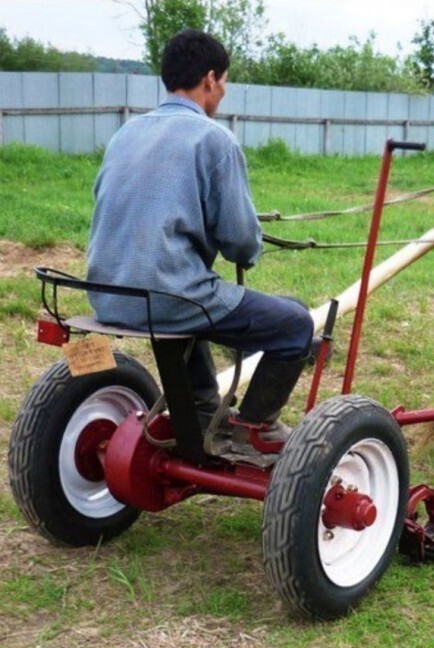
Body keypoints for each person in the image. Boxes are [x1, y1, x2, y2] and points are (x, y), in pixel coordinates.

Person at [86, 29, 315, 452]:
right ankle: (256, 428)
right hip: (167, 298)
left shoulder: (125, 134)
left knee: (193, 294)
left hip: (108, 295)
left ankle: (202, 408)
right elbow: (240, 242)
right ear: (210, 78)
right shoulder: (215, 140)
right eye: (224, 81)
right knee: (296, 324)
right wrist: (251, 246)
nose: (224, 91)